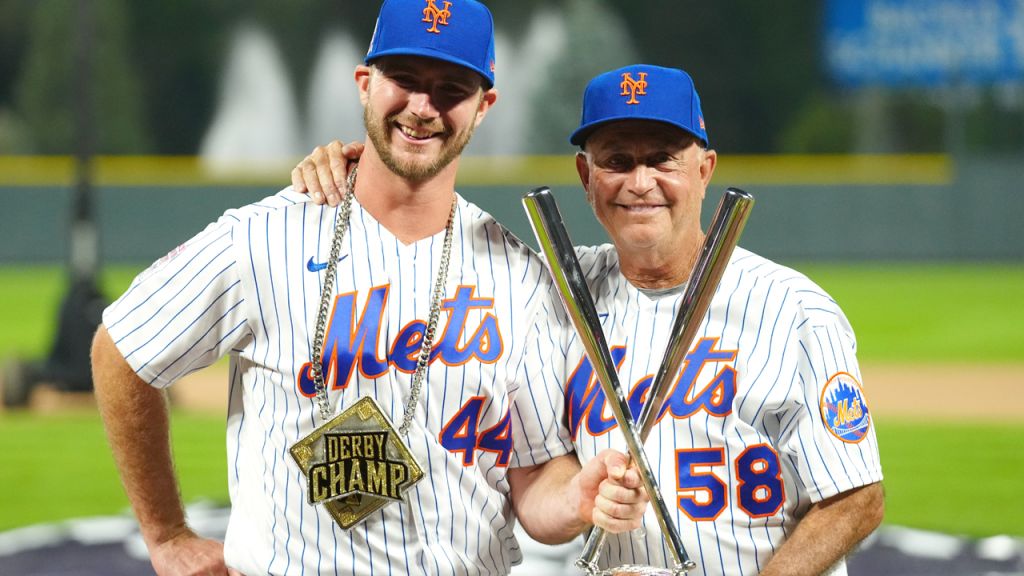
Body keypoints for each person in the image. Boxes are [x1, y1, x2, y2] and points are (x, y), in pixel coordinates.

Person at [90, 2, 650, 575]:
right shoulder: (260, 238)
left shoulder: (520, 275)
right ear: (365, 84)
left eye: (451, 89)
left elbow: (532, 476)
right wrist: (166, 535)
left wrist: (579, 495)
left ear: (484, 107)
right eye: (404, 80)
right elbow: (121, 349)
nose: (422, 107)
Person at [293, 64, 885, 576]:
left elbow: (857, 497)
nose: (640, 182)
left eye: (662, 159)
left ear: (705, 170)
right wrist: (363, 169)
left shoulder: (795, 310)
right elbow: (431, 245)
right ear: (585, 177)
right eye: (617, 161)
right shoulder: (549, 292)